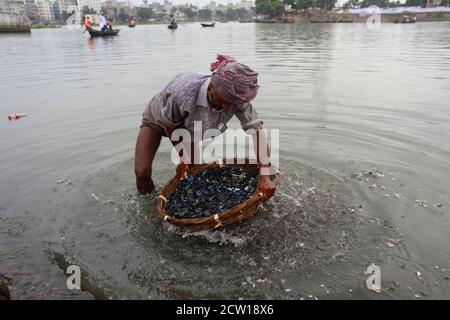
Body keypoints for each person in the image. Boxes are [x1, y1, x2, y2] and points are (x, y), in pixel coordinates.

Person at [135, 54, 276, 200]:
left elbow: (257, 133)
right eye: (225, 101)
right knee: (142, 172)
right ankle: (148, 203)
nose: (227, 106)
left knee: (194, 171)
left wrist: (265, 174)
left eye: (232, 103)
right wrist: (183, 156)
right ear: (212, 88)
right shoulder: (183, 92)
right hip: (157, 119)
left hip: (191, 129)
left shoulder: (238, 97)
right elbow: (170, 125)